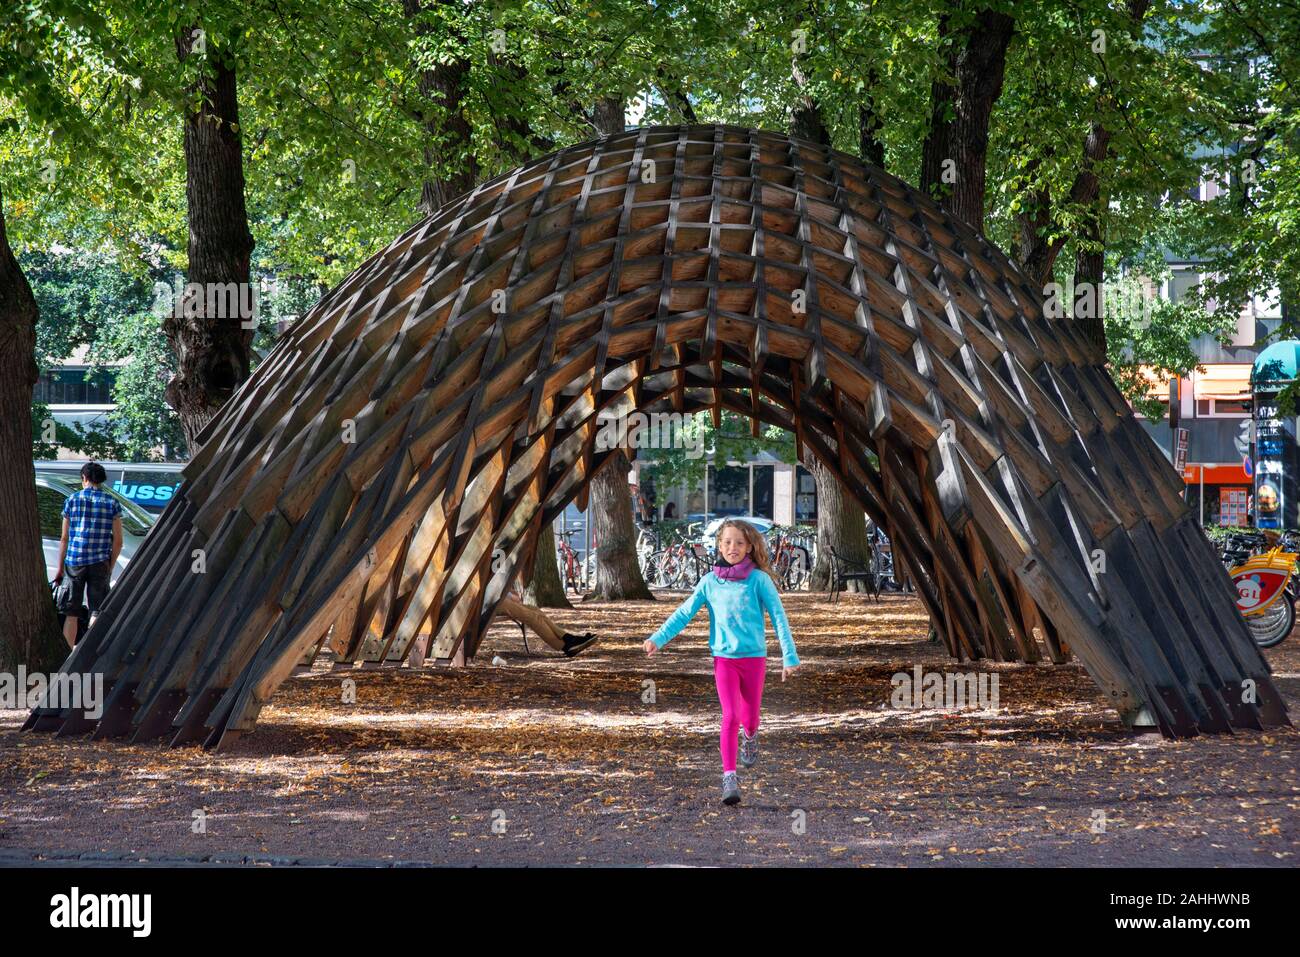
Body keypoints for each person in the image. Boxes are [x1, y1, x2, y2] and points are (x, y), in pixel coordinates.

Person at [642, 518, 800, 806]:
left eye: (739, 542)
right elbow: (683, 614)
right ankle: (729, 777)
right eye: (727, 542)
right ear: (718, 545)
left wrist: (789, 657)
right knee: (731, 716)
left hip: (754, 659)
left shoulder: (759, 580)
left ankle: (751, 736)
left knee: (750, 718)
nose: (733, 547)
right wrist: (658, 638)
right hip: (724, 659)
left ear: (750, 547)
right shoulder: (710, 582)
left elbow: (779, 618)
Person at [52, 462, 122, 648]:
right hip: (100, 561)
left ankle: (67, 654)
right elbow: (118, 541)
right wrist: (110, 564)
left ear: (84, 478)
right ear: (101, 480)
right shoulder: (112, 503)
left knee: (71, 613)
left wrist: (60, 569)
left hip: (74, 562)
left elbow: (64, 538)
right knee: (96, 610)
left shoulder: (71, 500)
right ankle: (89, 651)